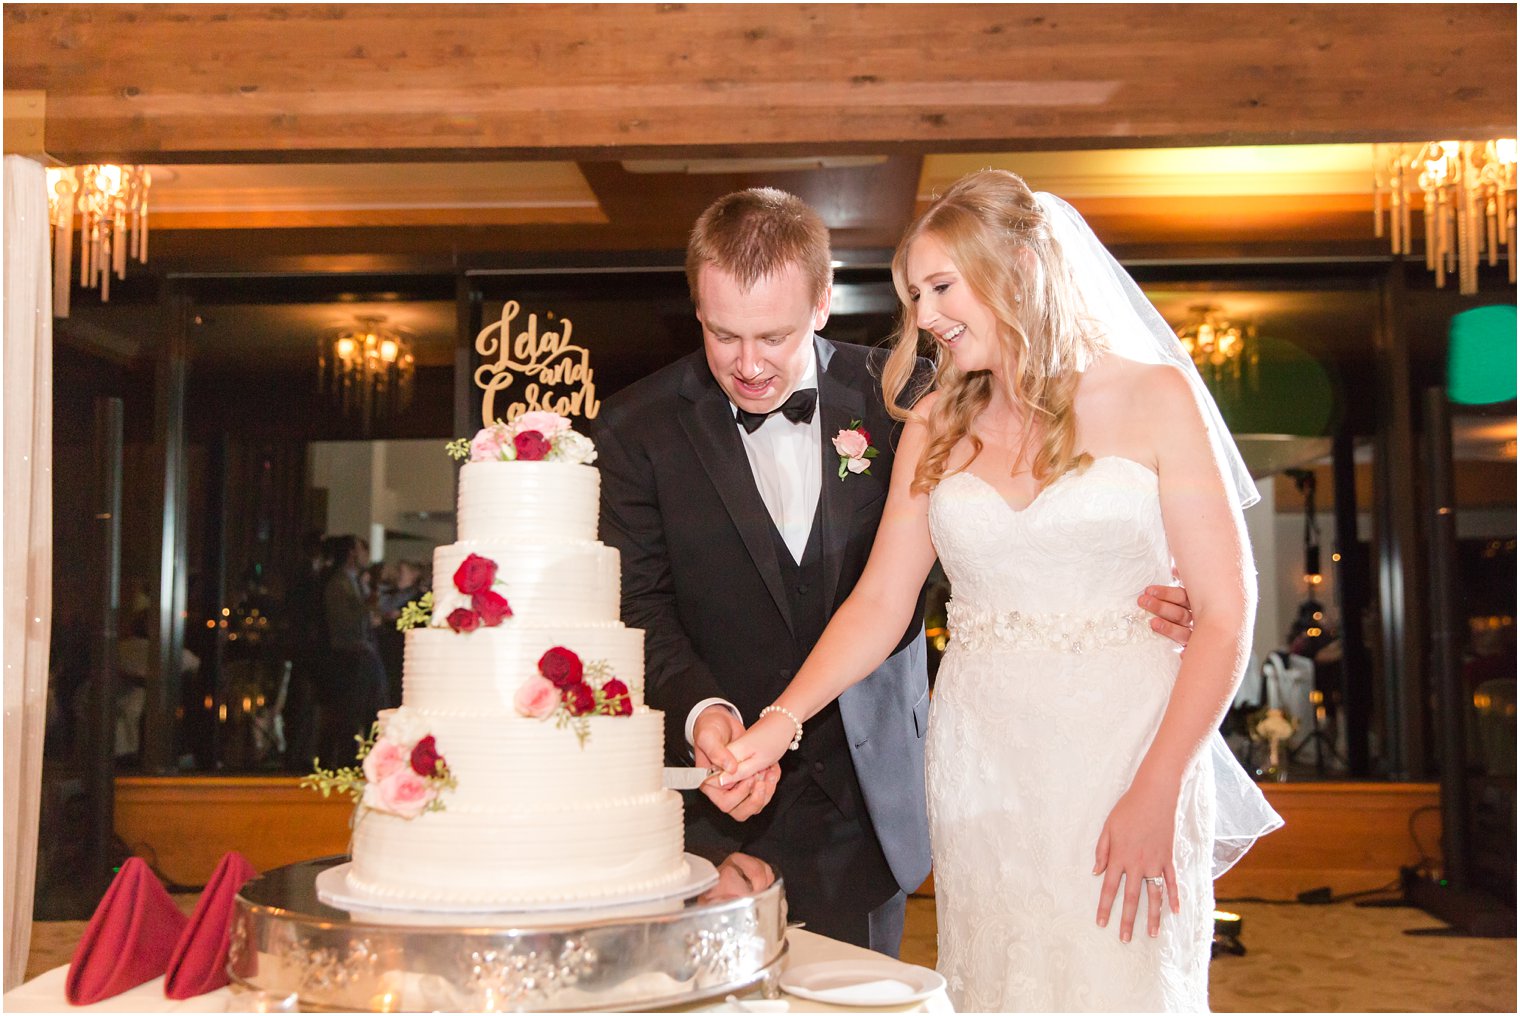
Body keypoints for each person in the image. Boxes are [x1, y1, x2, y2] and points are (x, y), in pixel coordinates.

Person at [592, 186, 1198, 957]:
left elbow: (1054, 512)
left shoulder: (908, 398)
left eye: (772, 337)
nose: (748, 365)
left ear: (821, 304)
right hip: (721, 798)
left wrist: (1138, 585)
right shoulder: (637, 426)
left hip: (875, 792)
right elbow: (640, 607)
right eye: (722, 335)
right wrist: (718, 714)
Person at [727, 171, 1281, 1009]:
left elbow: (1227, 611)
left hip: (1127, 745)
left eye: (942, 286)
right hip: (984, 762)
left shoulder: (1152, 396)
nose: (926, 316)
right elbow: (880, 603)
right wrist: (777, 722)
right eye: (914, 296)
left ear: (1020, 267)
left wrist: (1158, 785)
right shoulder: (933, 424)